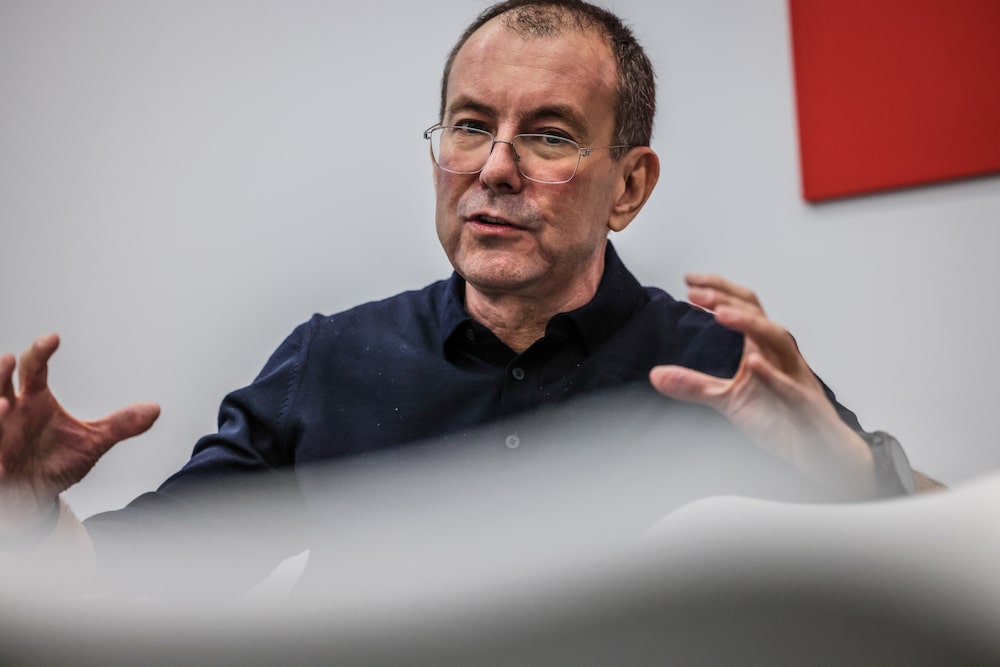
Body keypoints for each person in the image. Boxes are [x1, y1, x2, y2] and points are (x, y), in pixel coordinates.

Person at [0, 0, 940, 595]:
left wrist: (853, 473)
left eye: (550, 135)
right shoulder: (331, 360)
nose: (494, 168)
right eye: (469, 126)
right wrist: (34, 514)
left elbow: (942, 556)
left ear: (629, 184)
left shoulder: (717, 366)